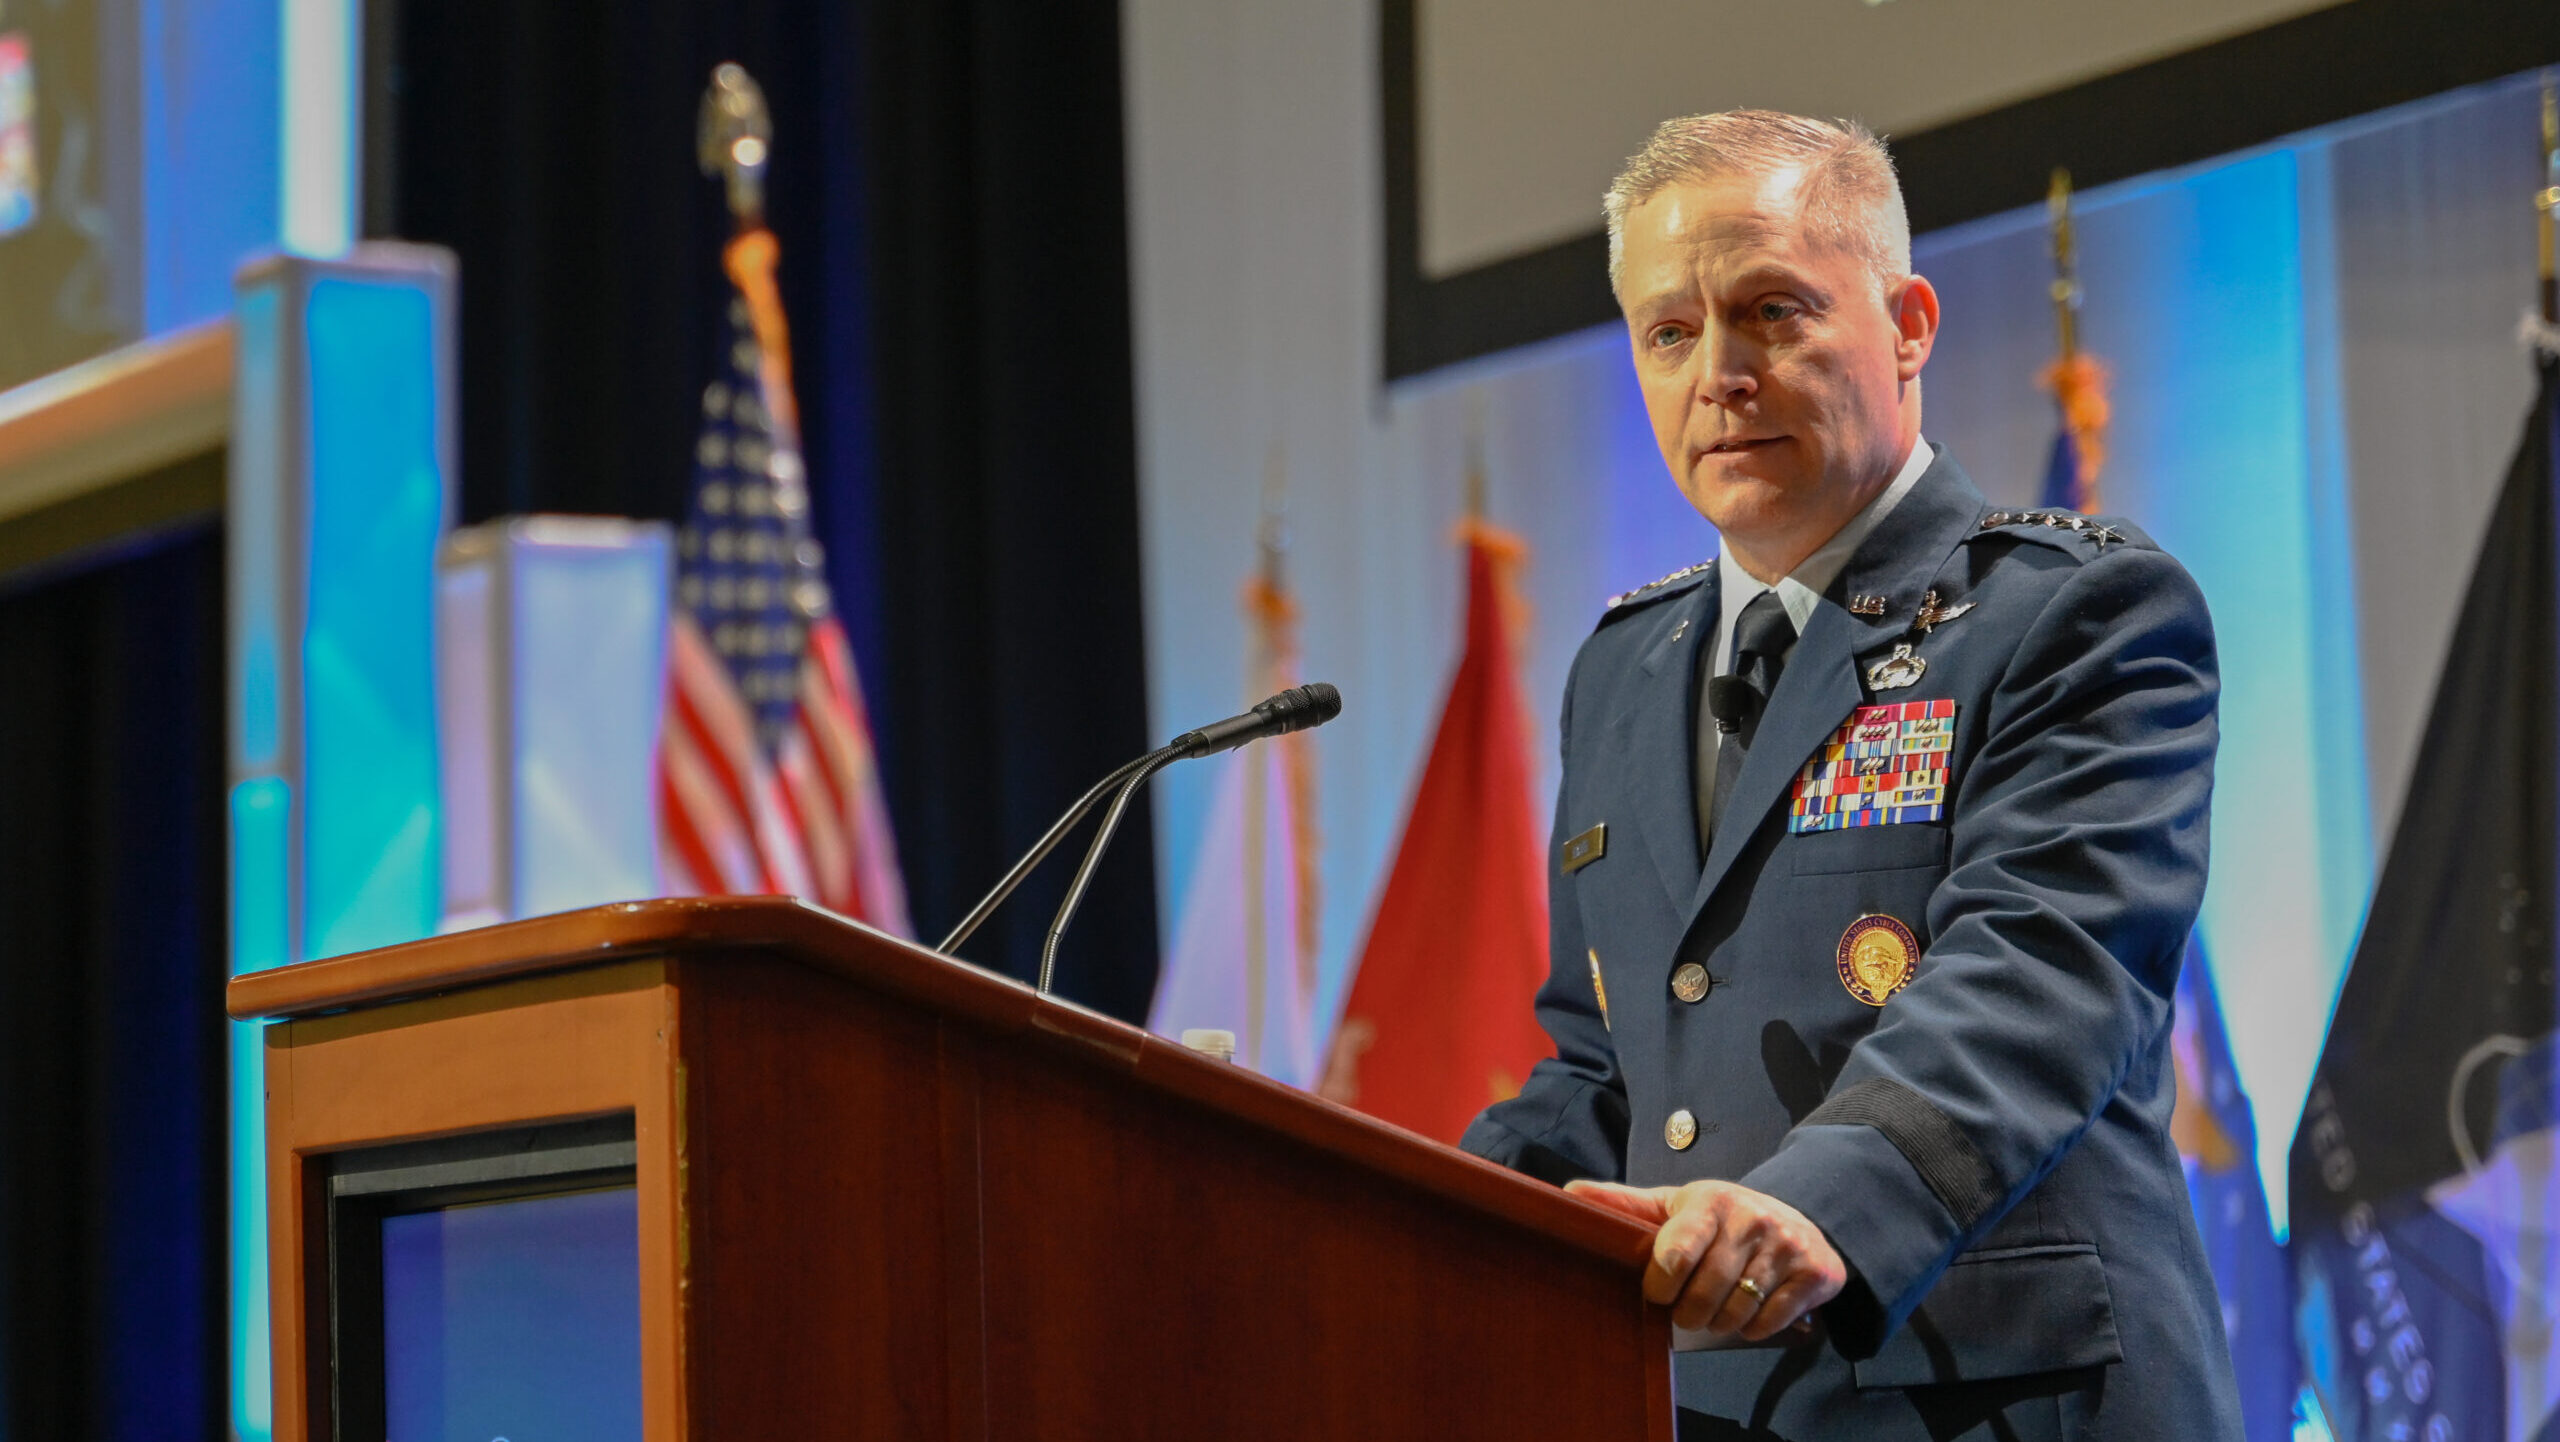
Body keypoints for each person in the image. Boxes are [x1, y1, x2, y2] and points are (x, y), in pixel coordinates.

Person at [1457, 110, 2247, 1441]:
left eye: (1771, 312)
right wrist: (1400, 1218)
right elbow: (1604, 1065)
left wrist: (1818, 1206)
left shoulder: (2075, 611)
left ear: (1908, 324)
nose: (1720, 374)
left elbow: (2041, 973)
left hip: (2002, 1398)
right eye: (1670, 332)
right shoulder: (1623, 668)